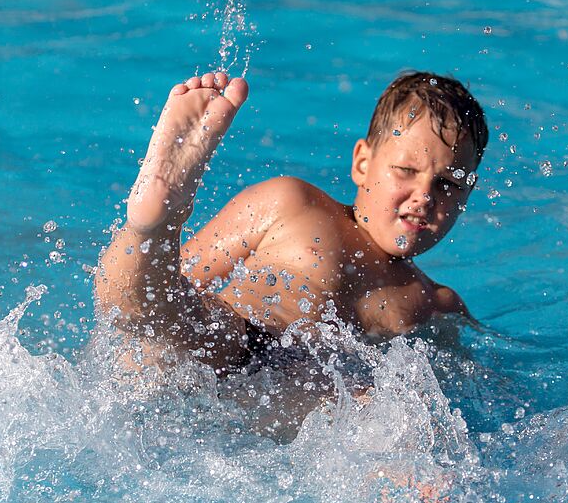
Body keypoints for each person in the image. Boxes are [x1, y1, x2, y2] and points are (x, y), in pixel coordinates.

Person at [95, 69, 488, 387]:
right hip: (238, 339)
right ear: (362, 163)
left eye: (449, 184)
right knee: (159, 307)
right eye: (406, 171)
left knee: (371, 409)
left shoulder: (438, 303)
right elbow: (184, 275)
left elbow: (477, 381)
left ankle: (152, 228)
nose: (425, 195)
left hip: (308, 389)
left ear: (466, 197)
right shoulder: (292, 201)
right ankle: (157, 221)